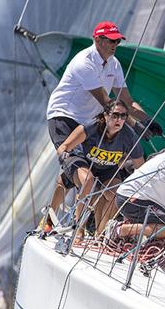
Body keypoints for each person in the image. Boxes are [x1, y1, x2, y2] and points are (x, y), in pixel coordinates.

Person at [46, 21, 160, 214]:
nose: (115, 44)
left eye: (118, 41)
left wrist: (147, 121)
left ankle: (82, 227)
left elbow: (126, 100)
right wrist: (134, 125)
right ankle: (51, 220)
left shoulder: (114, 65)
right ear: (97, 40)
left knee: (94, 175)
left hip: (89, 121)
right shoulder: (84, 62)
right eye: (111, 40)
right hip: (64, 117)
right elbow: (107, 103)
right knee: (77, 172)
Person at [56, 100, 144, 236]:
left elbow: (141, 169)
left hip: (107, 168)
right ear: (105, 115)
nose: (119, 120)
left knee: (116, 193)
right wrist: (63, 155)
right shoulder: (91, 127)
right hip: (81, 160)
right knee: (88, 181)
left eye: (123, 116)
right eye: (115, 115)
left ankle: (100, 234)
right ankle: (79, 230)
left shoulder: (129, 136)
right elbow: (64, 147)